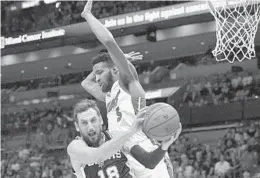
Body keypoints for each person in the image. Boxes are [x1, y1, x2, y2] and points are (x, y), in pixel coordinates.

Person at [80, 1, 182, 177]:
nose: (96, 78)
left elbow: (109, 42)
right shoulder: (108, 96)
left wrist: (88, 16)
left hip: (144, 149)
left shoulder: (127, 83)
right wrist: (105, 65)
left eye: (99, 72)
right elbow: (85, 84)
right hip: (126, 156)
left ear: (114, 70)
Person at [67, 99, 144, 178]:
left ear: (101, 120)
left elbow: (149, 161)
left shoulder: (115, 136)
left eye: (93, 120)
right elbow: (97, 156)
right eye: (84, 123)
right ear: (77, 126)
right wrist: (131, 131)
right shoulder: (75, 148)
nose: (90, 127)